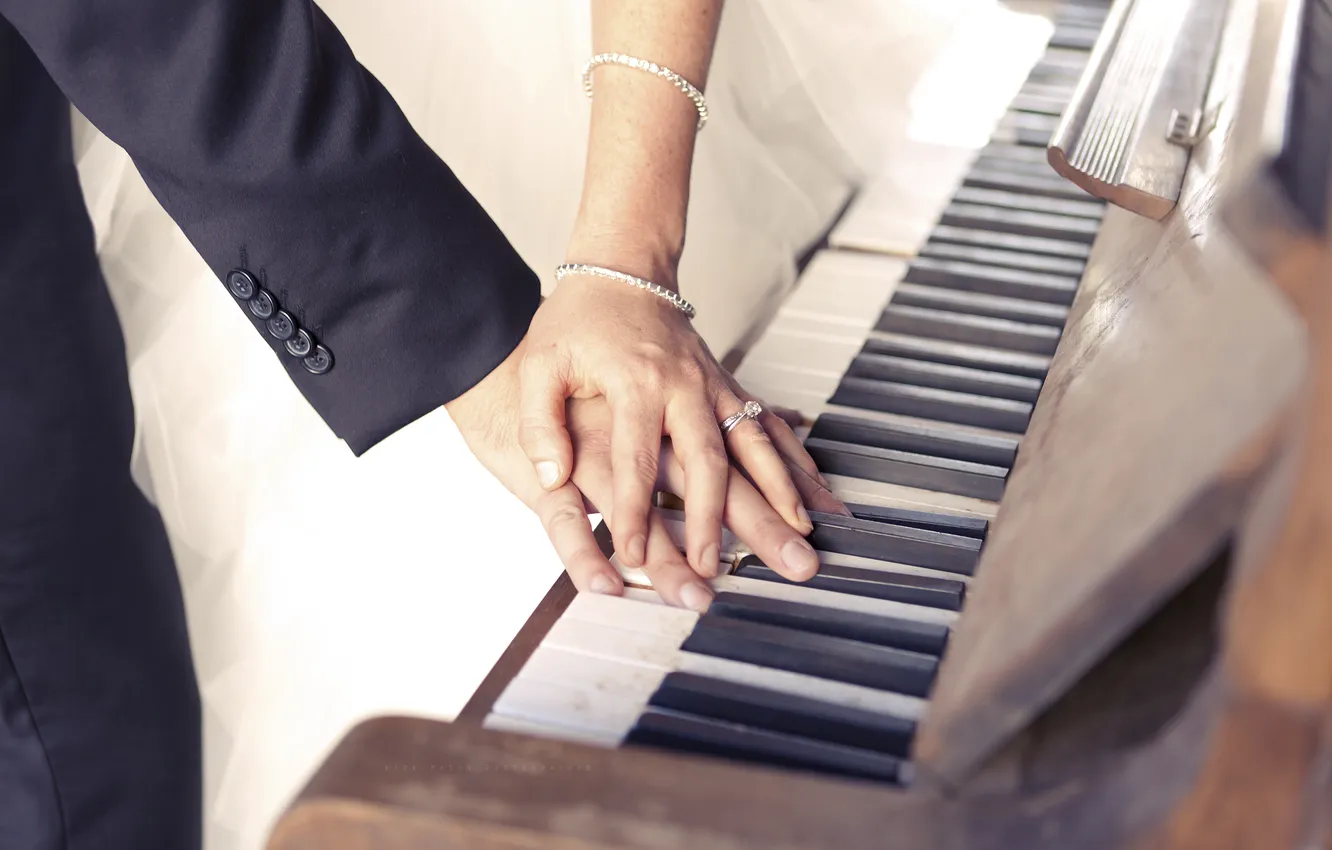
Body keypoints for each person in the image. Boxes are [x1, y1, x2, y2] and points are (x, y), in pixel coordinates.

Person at [0, 0, 874, 846]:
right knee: (83, 713)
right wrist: (479, 358)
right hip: (214, 120)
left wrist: (628, 255)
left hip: (645, 99)